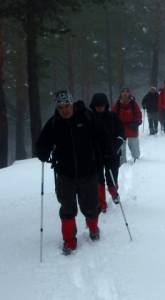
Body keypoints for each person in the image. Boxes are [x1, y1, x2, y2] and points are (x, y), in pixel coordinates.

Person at [36, 90, 111, 255]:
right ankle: (69, 241)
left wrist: (105, 152)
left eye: (67, 105)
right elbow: (42, 143)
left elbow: (102, 136)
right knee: (67, 207)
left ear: (72, 103)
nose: (65, 110)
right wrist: (42, 151)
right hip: (64, 174)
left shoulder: (86, 117)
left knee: (90, 205)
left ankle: (93, 229)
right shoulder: (54, 123)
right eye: (61, 107)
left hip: (88, 171)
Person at [90, 93, 125, 213]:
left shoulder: (113, 117)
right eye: (97, 106)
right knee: (98, 180)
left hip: (112, 154)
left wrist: (115, 147)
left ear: (106, 105)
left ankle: (114, 192)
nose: (100, 108)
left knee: (112, 176)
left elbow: (121, 134)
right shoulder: (90, 118)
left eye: (102, 105)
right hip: (96, 156)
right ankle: (101, 203)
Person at [113, 88, 142, 164]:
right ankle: (122, 162)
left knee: (134, 146)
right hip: (120, 128)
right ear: (121, 94)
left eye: (127, 92)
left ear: (129, 94)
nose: (125, 94)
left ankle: (137, 160)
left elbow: (138, 115)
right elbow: (112, 116)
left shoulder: (133, 104)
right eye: (123, 92)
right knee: (121, 146)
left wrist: (136, 122)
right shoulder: (118, 104)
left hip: (132, 127)